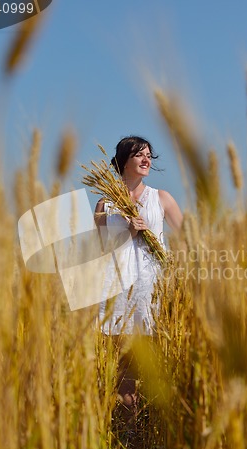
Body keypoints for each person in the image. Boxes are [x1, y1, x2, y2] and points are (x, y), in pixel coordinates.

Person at [94, 136, 183, 428]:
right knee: (124, 370)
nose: (146, 160)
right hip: (118, 294)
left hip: (153, 292)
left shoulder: (162, 199)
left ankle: (160, 427)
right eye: (139, 155)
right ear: (123, 161)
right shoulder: (104, 204)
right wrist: (128, 232)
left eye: (148, 155)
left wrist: (178, 270)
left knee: (161, 361)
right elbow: (100, 249)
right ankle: (130, 434)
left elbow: (187, 239)